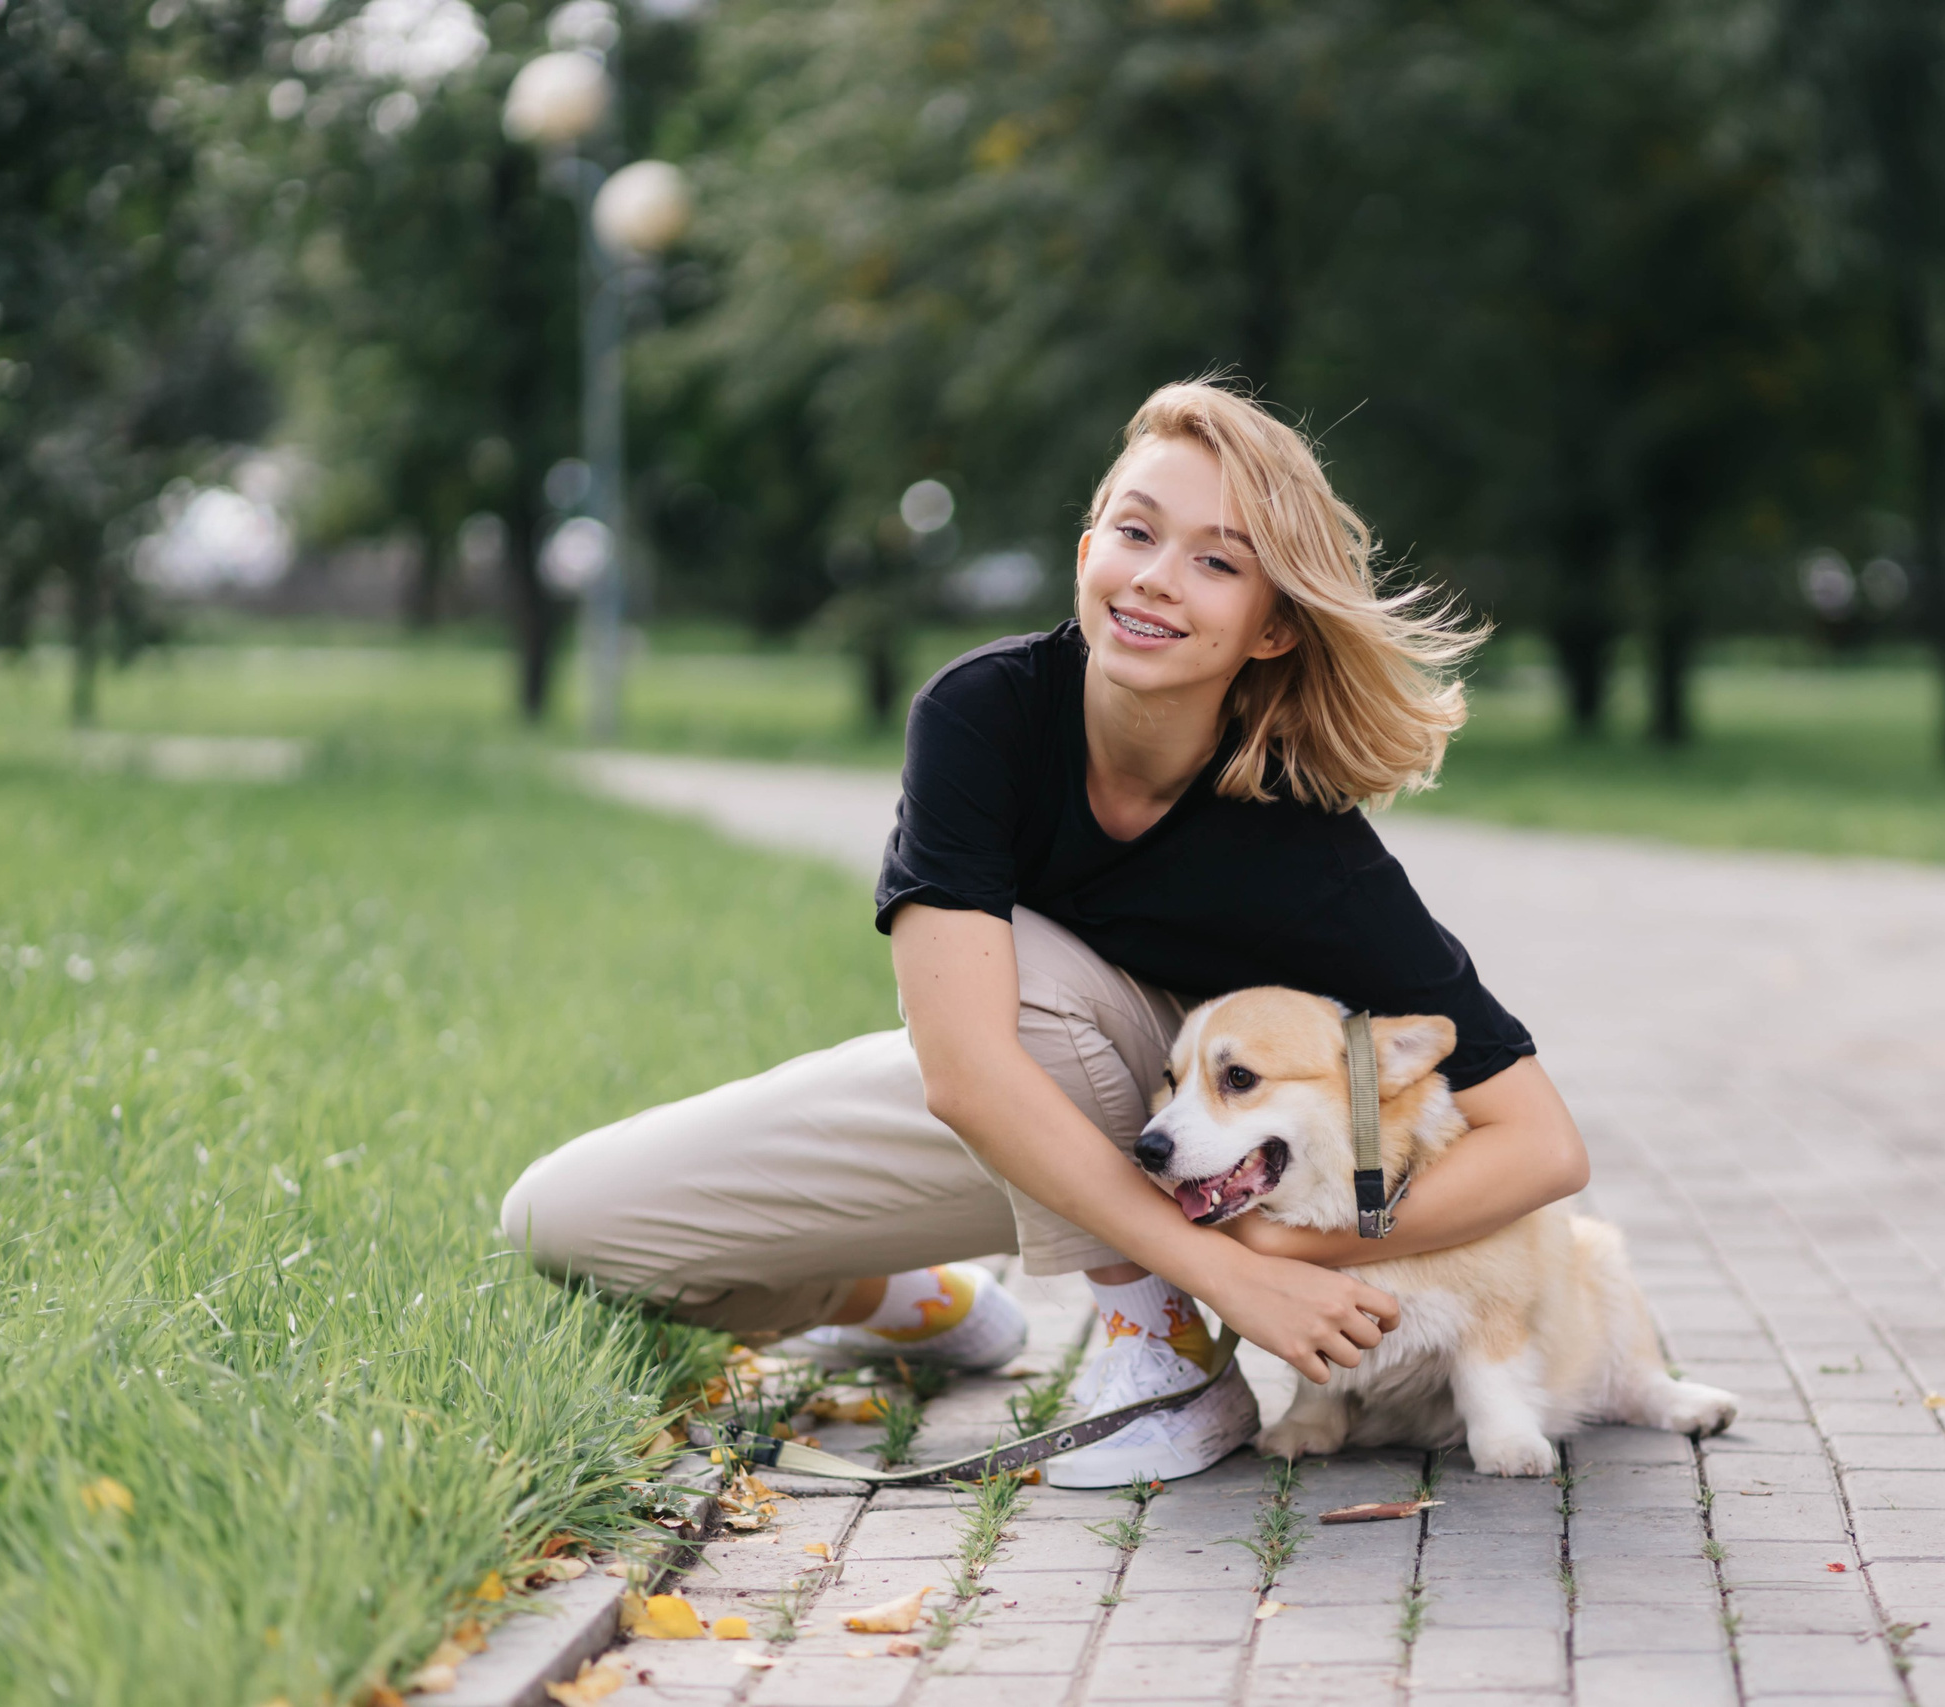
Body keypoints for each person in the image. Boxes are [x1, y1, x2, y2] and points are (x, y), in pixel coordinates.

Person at [500, 380, 1592, 1486]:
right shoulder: (983, 716)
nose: (1156, 576)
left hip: (1183, 1151)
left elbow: (1543, 1145)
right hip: (1005, 1110)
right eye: (1136, 532)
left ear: (1272, 628)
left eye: (1216, 561)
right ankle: (916, 1305)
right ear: (1086, 553)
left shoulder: (1307, 844)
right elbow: (965, 1072)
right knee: (567, 1222)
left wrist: (1280, 1243)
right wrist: (1230, 1276)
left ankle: (1167, 1361)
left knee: (1023, 964)